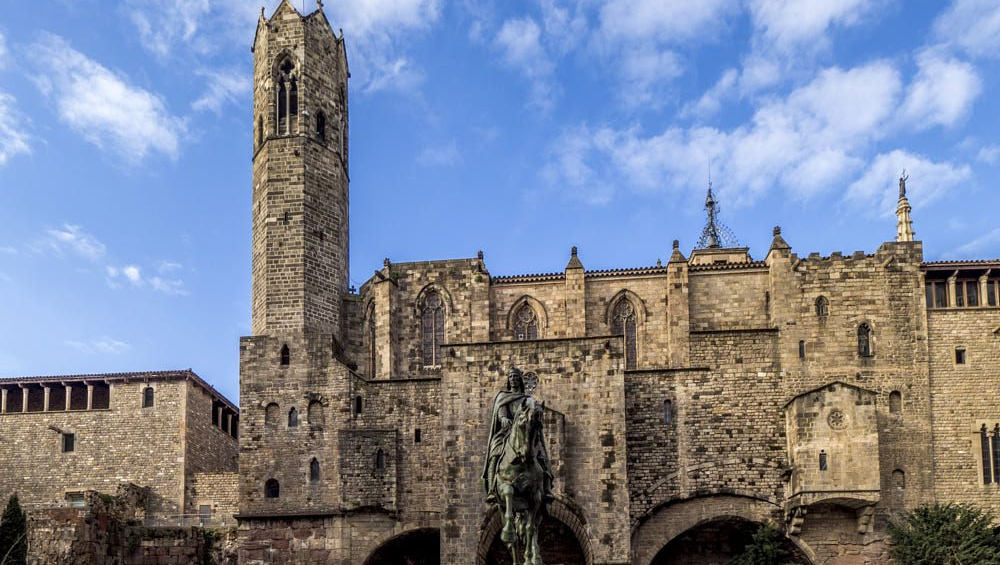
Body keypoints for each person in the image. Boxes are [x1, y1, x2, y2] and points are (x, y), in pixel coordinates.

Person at [482, 367, 553, 504]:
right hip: (506, 432)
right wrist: (503, 419)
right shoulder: (502, 396)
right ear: (508, 380)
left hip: (525, 431)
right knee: (494, 452)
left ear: (520, 380)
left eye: (515, 377)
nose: (513, 379)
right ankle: (491, 489)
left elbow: (533, 410)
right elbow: (501, 412)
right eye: (511, 377)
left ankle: (547, 488)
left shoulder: (528, 399)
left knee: (542, 454)